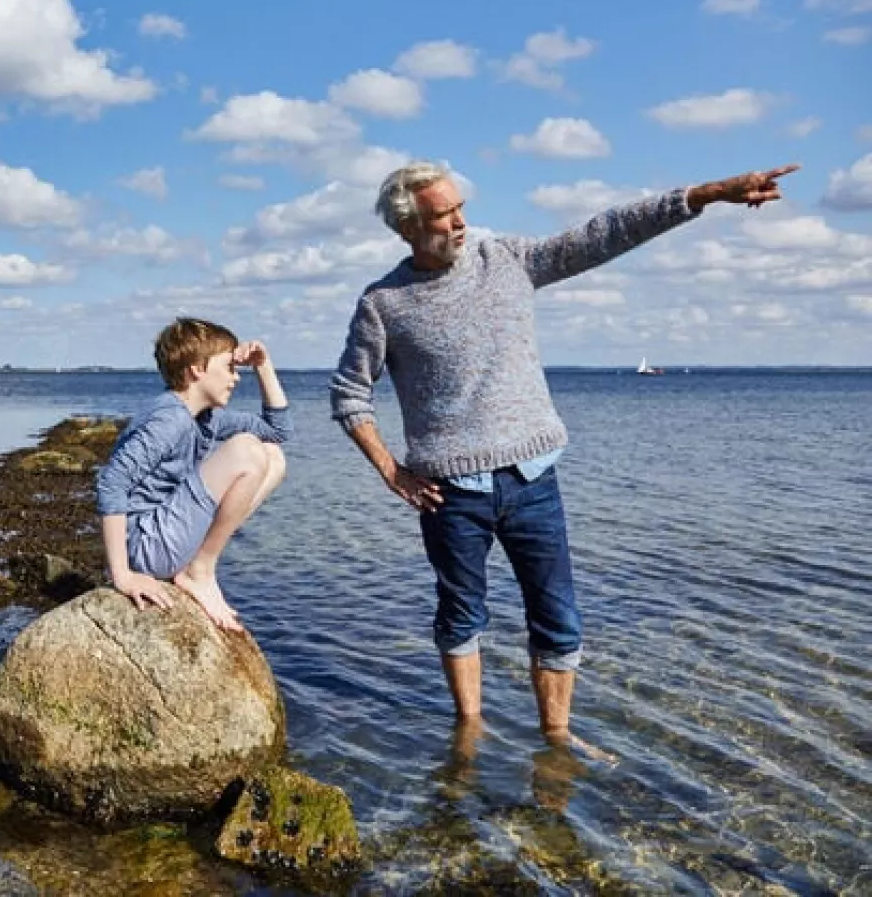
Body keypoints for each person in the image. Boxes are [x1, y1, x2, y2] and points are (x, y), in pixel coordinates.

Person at [330, 160, 798, 744]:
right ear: (407, 229)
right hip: (447, 494)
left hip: (532, 481)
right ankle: (468, 736)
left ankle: (556, 740)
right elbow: (350, 393)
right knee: (461, 617)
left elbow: (602, 235)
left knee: (557, 618)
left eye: (459, 209)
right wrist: (390, 471)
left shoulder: (505, 259)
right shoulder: (384, 303)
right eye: (442, 215)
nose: (459, 223)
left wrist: (706, 195)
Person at [96, 317, 292, 632]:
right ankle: (199, 571)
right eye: (229, 367)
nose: (235, 378)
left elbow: (278, 431)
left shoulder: (205, 418)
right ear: (197, 370)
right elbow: (111, 483)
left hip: (166, 534)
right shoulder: (169, 419)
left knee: (273, 457)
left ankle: (197, 566)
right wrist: (122, 575)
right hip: (147, 544)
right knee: (247, 450)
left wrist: (263, 366)